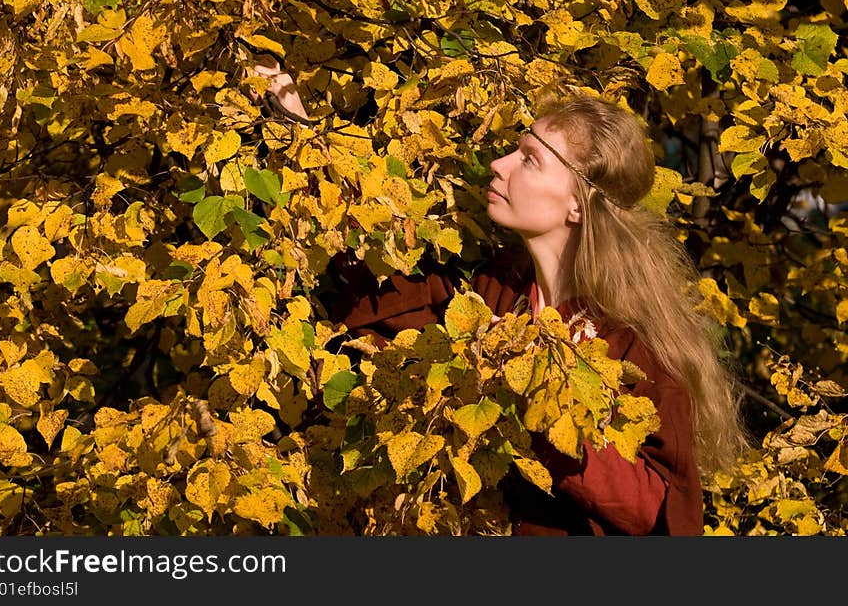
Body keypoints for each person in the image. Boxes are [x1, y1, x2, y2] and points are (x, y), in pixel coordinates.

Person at [251, 56, 749, 536]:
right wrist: (301, 132)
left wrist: (539, 401)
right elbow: (376, 301)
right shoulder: (498, 291)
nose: (499, 163)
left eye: (529, 160)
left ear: (577, 204)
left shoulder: (632, 341)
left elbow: (652, 508)